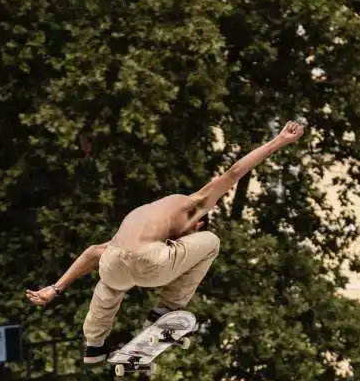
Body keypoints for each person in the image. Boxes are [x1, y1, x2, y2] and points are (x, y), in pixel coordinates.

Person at [26, 120, 305, 363]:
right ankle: (167, 310)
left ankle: (95, 346)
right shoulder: (194, 206)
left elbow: (91, 253)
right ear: (198, 222)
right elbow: (233, 173)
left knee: (109, 283)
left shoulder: (145, 217)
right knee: (211, 243)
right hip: (150, 261)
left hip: (115, 258)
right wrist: (279, 141)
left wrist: (55, 288)